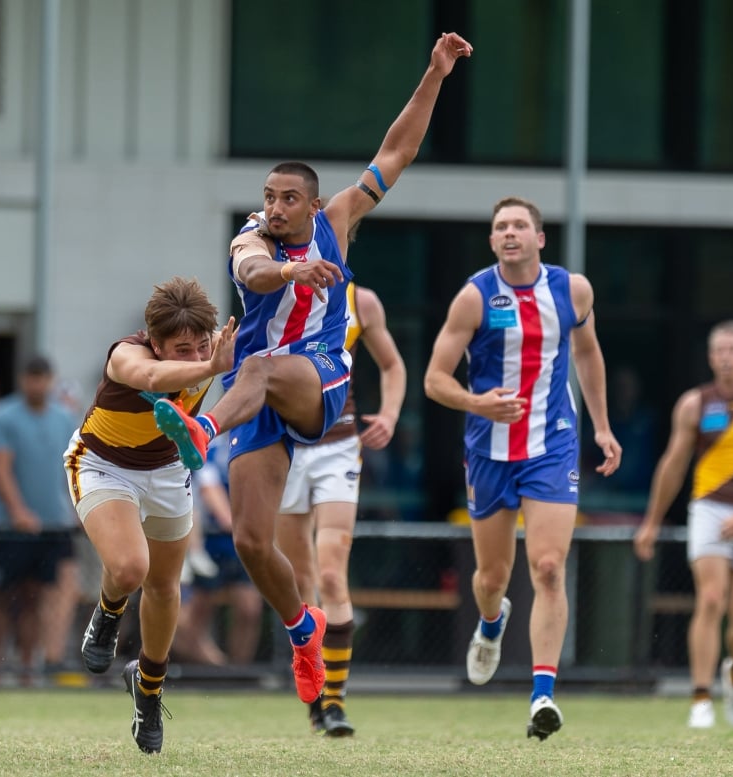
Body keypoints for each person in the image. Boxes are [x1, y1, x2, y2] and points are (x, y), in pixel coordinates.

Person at [152, 31, 473, 710]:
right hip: (257, 396)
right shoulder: (252, 238)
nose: (273, 207)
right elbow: (251, 271)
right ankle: (305, 632)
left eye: (286, 199)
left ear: (311, 202)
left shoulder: (340, 218)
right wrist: (290, 267)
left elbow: (399, 151)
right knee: (248, 538)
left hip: (318, 381)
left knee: (263, 365)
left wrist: (436, 75)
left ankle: (198, 433)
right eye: (268, 196)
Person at [423, 195, 623, 741]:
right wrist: (476, 402)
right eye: (499, 227)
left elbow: (587, 354)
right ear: (492, 241)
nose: (509, 233)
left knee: (550, 566)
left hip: (551, 446)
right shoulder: (475, 297)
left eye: (519, 225)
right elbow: (435, 379)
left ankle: (542, 695)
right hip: (489, 448)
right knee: (491, 579)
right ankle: (492, 623)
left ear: (540, 238)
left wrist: (601, 426)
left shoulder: (572, 289)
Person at [65, 277, 235, 753]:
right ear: (154, 342)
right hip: (103, 465)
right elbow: (156, 379)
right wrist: (210, 362)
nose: (195, 354)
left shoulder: (215, 347)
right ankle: (108, 611)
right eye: (181, 348)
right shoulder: (127, 354)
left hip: (166, 469)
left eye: (201, 343)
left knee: (164, 585)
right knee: (129, 568)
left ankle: (148, 690)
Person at [634, 320, 733, 729]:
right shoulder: (695, 404)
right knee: (710, 599)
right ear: (710, 358)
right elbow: (672, 465)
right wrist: (651, 522)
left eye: (732, 350)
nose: (725, 358)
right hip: (708, 508)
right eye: (718, 351)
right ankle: (701, 697)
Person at [274, 281, 405, 736]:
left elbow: (392, 364)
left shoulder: (361, 300)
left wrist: (388, 414)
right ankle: (315, 694)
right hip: (285, 443)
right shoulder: (276, 289)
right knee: (300, 580)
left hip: (339, 445)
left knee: (332, 574)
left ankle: (334, 702)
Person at [0, 355, 79, 686]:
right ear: (22, 380)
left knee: (36, 598)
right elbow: (0, 468)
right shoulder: (2, 417)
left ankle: (26, 670)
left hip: (51, 526)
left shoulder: (65, 418)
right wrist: (19, 511)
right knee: (0, 599)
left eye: (43, 378)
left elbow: (75, 467)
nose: (37, 385)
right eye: (31, 378)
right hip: (7, 527)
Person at [172, 438, 263, 667]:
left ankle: (239, 672)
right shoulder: (212, 448)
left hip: (240, 541)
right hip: (209, 543)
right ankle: (219, 669)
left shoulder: (259, 444)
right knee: (189, 619)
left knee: (250, 609)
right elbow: (213, 498)